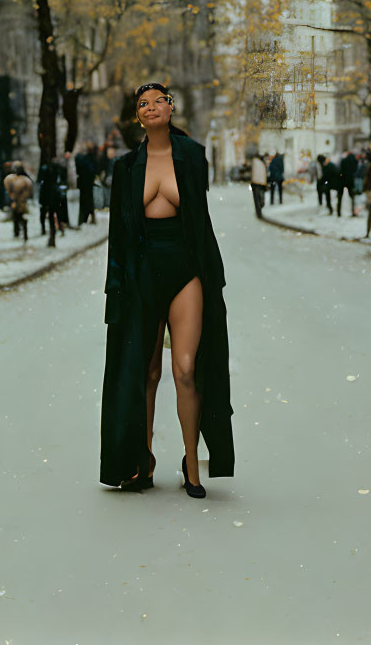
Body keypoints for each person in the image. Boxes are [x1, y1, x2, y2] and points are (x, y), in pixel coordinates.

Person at [100, 81, 233, 497]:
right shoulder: (125, 167)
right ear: (137, 116)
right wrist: (116, 287)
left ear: (172, 108)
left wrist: (212, 275)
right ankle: (143, 462)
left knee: (187, 369)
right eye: (144, 103)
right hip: (141, 273)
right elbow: (118, 234)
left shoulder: (192, 156)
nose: (153, 107)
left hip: (185, 269)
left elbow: (201, 220)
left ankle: (192, 466)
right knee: (147, 372)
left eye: (160, 100)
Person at [4, 162, 33, 243]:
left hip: (17, 200)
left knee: (17, 217)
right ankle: (22, 233)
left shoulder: (14, 179)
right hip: (22, 201)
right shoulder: (25, 179)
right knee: (19, 216)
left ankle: (18, 232)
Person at [76, 144, 98, 227]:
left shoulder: (83, 159)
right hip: (89, 183)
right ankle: (89, 217)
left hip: (84, 183)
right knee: (89, 200)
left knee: (84, 201)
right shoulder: (92, 159)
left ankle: (84, 219)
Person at [337, 149, 358, 217]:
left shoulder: (343, 160)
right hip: (351, 180)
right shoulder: (355, 161)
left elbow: (340, 170)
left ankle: (339, 212)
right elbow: (356, 170)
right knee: (352, 197)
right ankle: (353, 211)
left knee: (340, 197)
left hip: (342, 180)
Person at [249, 152, 268, 218]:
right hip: (260, 183)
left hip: (256, 183)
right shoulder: (261, 163)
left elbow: (252, 173)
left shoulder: (255, 162)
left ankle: (258, 213)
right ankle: (259, 212)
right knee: (260, 199)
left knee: (257, 199)